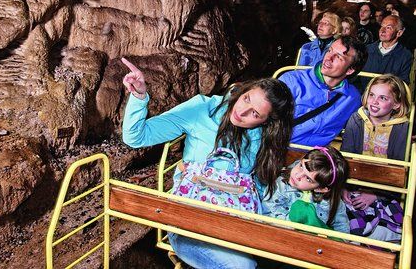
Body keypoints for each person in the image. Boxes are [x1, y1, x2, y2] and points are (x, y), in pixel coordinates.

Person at [121, 58, 294, 269]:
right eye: (246, 98)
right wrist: (139, 96)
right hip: (189, 221)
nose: (243, 111)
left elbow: (258, 186)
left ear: (267, 122)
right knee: (242, 267)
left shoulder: (264, 138)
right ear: (243, 90)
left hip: (235, 223)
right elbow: (137, 137)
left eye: (255, 113)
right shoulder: (202, 109)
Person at [341, 74, 411, 241]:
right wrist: (342, 187)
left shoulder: (402, 129)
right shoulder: (356, 120)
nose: (374, 101)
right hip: (353, 184)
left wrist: (375, 195)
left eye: (383, 98)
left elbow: (398, 171)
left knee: (391, 223)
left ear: (396, 104)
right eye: (372, 95)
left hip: (383, 189)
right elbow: (345, 157)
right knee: (344, 214)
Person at [280, 35, 368, 146]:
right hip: (279, 150)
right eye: (330, 50)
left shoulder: (353, 99)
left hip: (314, 158)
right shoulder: (291, 81)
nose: (328, 58)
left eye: (339, 57)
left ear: (350, 70)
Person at [262, 146, 350, 232]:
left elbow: (342, 228)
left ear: (321, 189)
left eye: (308, 179)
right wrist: (292, 224)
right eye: (301, 166)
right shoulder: (281, 185)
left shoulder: (333, 202)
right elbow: (268, 211)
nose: (297, 175)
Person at [359, 15, 412, 88]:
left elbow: (403, 84)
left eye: (388, 28)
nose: (382, 31)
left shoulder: (405, 55)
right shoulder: (367, 50)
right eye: (382, 26)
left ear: (399, 33)